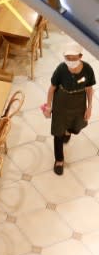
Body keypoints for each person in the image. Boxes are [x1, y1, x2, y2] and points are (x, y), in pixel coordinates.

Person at [43, 44, 95, 175]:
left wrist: (89, 107)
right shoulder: (61, 69)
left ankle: (68, 131)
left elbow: (89, 89)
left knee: (76, 126)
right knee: (57, 132)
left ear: (80, 57)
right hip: (62, 101)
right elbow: (52, 88)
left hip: (79, 102)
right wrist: (48, 106)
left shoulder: (87, 69)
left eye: (73, 58)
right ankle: (59, 159)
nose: (70, 61)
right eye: (68, 58)